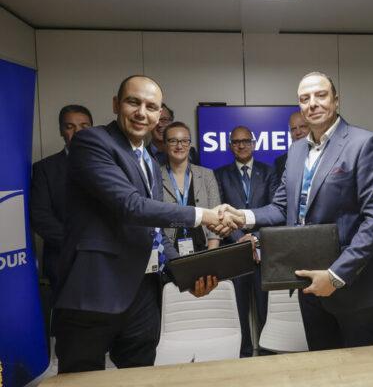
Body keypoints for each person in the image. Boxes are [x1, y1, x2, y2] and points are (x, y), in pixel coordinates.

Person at [53, 75, 242, 374]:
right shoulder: (92, 142)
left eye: (151, 107)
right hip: (95, 291)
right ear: (116, 104)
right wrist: (204, 215)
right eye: (133, 102)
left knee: (140, 376)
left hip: (143, 295)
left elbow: (154, 231)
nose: (142, 112)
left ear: (159, 116)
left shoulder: (151, 164)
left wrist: (187, 275)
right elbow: (130, 206)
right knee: (81, 378)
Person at [219, 72, 373, 350]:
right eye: (304, 98)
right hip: (309, 284)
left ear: (336, 100)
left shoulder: (364, 144)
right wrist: (243, 216)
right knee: (320, 365)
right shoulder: (297, 151)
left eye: (320, 95)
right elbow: (281, 207)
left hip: (354, 286)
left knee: (361, 370)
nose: (312, 103)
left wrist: (335, 276)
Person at [214, 126, 278, 357]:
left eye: (245, 141)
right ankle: (242, 353)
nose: (241, 145)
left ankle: (267, 353)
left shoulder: (269, 172)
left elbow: (275, 210)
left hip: (263, 250)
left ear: (253, 143)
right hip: (234, 250)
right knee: (238, 308)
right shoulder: (219, 174)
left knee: (265, 307)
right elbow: (219, 213)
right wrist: (241, 240)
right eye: (236, 141)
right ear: (230, 145)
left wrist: (256, 238)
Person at [30, 104, 93, 295]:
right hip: (63, 261)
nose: (78, 132)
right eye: (70, 126)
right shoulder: (44, 169)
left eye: (84, 126)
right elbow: (40, 217)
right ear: (61, 131)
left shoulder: (111, 164)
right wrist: (78, 244)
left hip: (107, 261)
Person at [161, 121, 221, 254]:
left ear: (189, 144)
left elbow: (216, 217)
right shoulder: (156, 176)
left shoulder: (206, 175)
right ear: (165, 145)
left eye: (184, 141)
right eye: (173, 141)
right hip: (168, 253)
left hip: (204, 250)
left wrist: (211, 255)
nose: (179, 146)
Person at [274, 111, 309, 180]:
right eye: (293, 129)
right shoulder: (280, 162)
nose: (298, 132)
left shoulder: (323, 154)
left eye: (302, 127)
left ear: (312, 127)